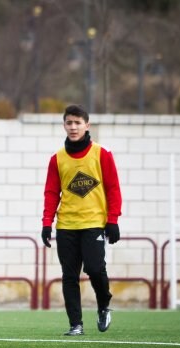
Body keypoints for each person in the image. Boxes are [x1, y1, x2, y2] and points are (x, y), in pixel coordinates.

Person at [41, 104, 122, 336]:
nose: (73, 127)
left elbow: (113, 188)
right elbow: (51, 193)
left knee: (95, 269)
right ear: (64, 125)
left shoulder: (102, 154)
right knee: (69, 276)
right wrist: (47, 223)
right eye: (69, 123)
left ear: (87, 125)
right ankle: (76, 324)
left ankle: (104, 305)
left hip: (94, 223)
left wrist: (113, 220)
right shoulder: (57, 159)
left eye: (78, 123)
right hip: (66, 225)